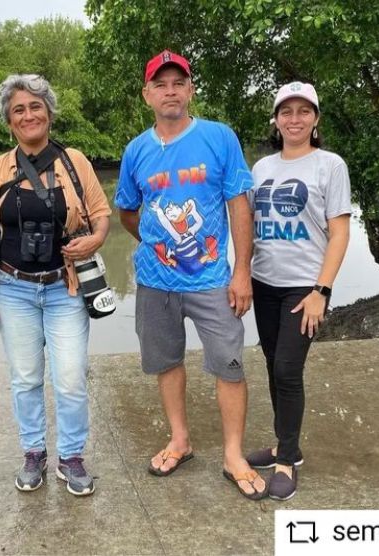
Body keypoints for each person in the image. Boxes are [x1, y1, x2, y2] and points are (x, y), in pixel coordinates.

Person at [114, 50, 266, 500]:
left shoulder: (219, 138)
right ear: (147, 95)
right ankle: (180, 440)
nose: (170, 91)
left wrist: (242, 272)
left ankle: (233, 455)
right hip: (155, 283)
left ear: (191, 89)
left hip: (213, 280)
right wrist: (153, 243)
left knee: (230, 366)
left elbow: (240, 203)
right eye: (160, 84)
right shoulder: (136, 150)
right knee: (166, 362)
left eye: (178, 82)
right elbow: (127, 210)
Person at [0, 74, 111, 497]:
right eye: (18, 110)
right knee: (26, 377)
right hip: (12, 288)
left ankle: (71, 456)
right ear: (9, 121)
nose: (28, 115)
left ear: (48, 112)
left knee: (69, 377)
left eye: (35, 107)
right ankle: (33, 453)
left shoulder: (75, 162)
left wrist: (98, 237)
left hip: (64, 288)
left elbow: (101, 213)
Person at [246, 82, 351, 500]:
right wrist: (239, 277)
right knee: (274, 364)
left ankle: (286, 460)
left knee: (289, 370)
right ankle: (283, 444)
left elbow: (340, 232)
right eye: (285, 111)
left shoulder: (330, 165)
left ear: (316, 119)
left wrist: (321, 290)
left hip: (304, 288)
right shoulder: (261, 168)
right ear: (276, 120)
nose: (294, 119)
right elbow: (249, 228)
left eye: (303, 111)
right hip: (264, 283)